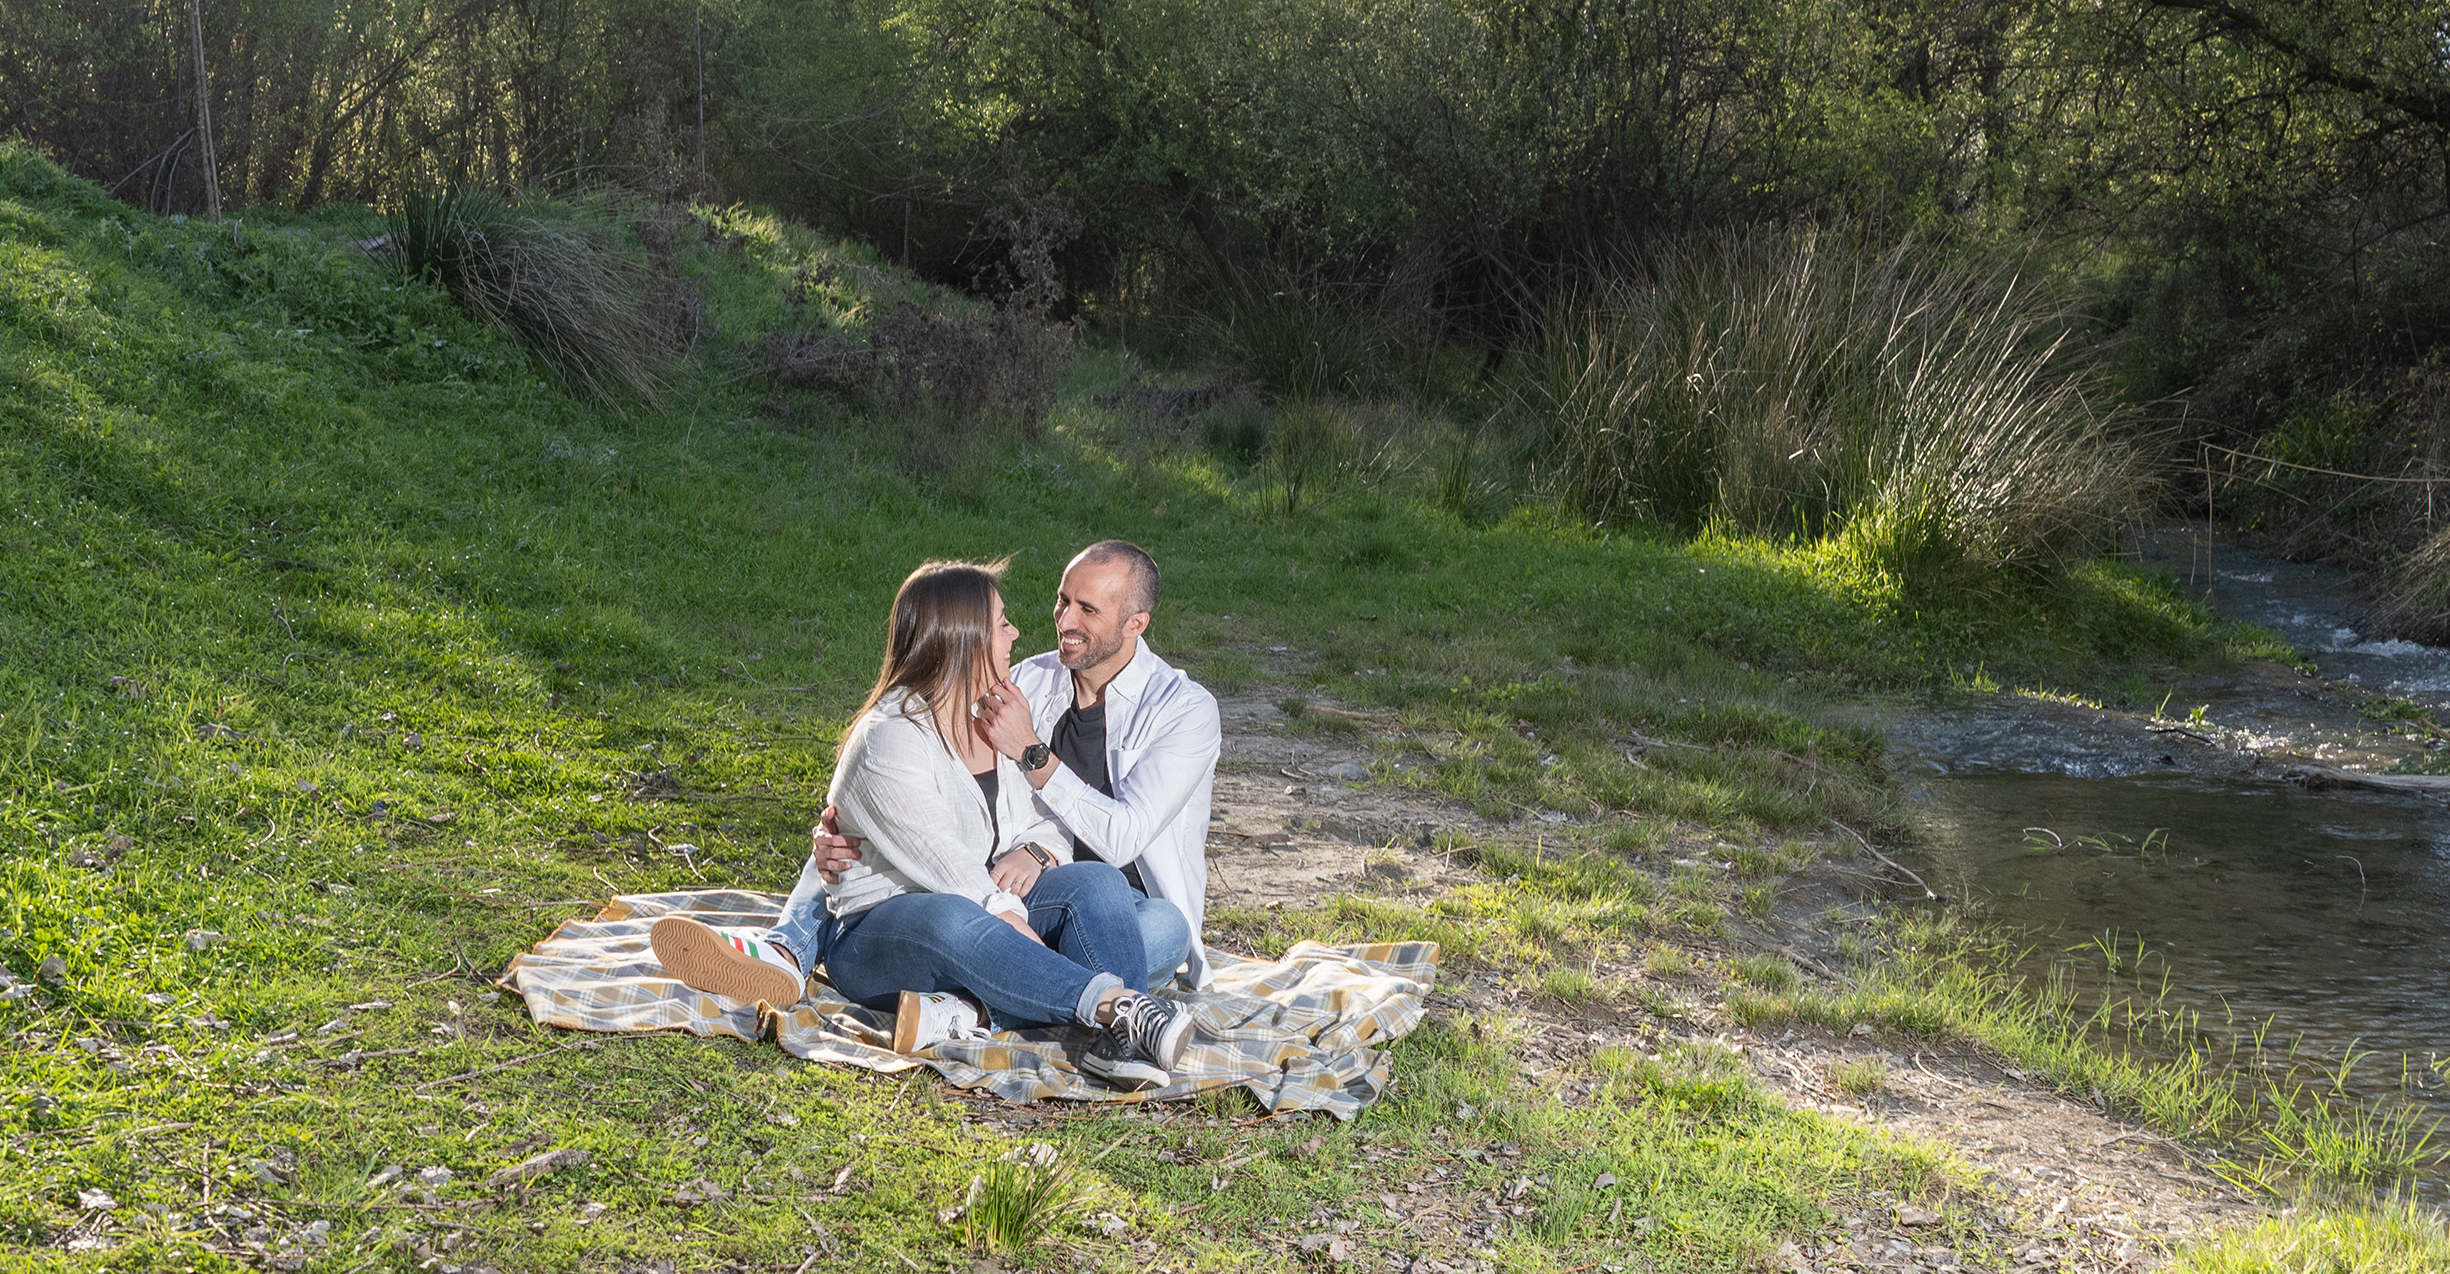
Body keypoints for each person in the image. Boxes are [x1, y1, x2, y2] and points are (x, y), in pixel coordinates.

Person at [649, 559, 1194, 1089]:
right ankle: (1118, 1007)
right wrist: (1010, 920)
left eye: (1086, 609)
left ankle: (1050, 1028)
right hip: (885, 931)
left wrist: (1034, 853)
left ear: (1134, 623)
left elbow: (1051, 822)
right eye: (1003, 623)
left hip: (992, 898)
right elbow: (946, 865)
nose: (1021, 632)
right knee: (956, 916)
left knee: (1101, 883)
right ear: (963, 641)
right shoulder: (891, 736)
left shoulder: (1002, 711)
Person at [801, 540, 1220, 988]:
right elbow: (902, 787)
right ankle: (1087, 997)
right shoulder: (1024, 681)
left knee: (1165, 929)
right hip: (1016, 890)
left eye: (1088, 610)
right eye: (1062, 600)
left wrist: (1031, 754)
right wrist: (839, 837)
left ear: (1136, 623)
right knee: (975, 924)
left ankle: (1008, 985)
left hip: (1125, 904)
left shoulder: (1184, 710)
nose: (1065, 620)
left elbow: (1122, 839)